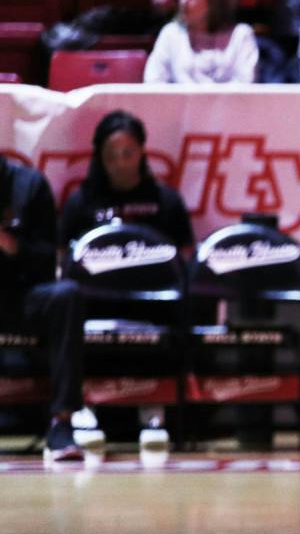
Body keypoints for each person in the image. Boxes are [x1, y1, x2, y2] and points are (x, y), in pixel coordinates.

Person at [60, 108, 197, 451]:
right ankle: (84, 411)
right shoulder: (82, 203)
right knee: (68, 313)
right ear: (99, 157)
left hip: (152, 303)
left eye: (128, 153)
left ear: (141, 153)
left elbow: (185, 254)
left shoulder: (164, 201)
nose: (120, 163)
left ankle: (153, 414)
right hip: (95, 302)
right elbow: (63, 256)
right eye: (111, 155)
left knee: (170, 315)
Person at [0, 153, 87, 462]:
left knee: (67, 295)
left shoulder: (29, 184)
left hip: (21, 295)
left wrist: (11, 245)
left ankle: (62, 423)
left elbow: (48, 259)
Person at [143, 0, 257, 84]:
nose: (184, 1)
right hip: (182, 102)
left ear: (214, 2)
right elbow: (154, 79)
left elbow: (245, 81)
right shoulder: (171, 33)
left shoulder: (241, 35)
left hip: (229, 102)